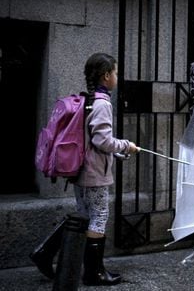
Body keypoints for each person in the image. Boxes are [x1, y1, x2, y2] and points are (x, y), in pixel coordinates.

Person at [30, 52, 139, 286]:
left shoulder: (87, 99)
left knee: (84, 215)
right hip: (93, 175)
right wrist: (126, 146)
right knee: (99, 217)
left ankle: (45, 252)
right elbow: (102, 141)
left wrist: (116, 152)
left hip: (80, 170)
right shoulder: (102, 103)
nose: (117, 77)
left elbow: (90, 140)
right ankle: (94, 273)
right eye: (116, 73)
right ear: (106, 75)